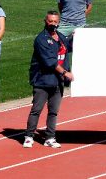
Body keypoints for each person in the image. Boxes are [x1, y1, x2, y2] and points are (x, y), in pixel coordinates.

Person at [23, 11, 74, 149]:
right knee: (36, 109)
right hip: (43, 80)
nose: (53, 24)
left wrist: (77, 38)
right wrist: (65, 72)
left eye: (55, 21)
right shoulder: (41, 39)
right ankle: (29, 136)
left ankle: (50, 137)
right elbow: (49, 61)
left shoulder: (61, 37)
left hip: (57, 82)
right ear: (45, 21)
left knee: (53, 111)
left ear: (58, 22)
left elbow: (69, 47)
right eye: (50, 21)